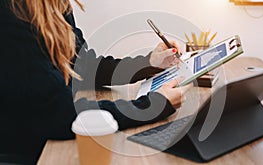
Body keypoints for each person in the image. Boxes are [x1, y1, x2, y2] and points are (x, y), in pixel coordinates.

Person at [0, 0, 192, 164]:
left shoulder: (56, 5)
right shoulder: (10, 13)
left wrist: (149, 63)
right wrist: (153, 105)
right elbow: (61, 113)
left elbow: (84, 67)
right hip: (28, 151)